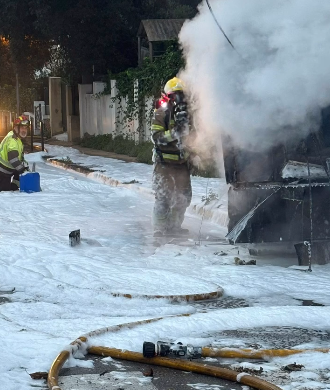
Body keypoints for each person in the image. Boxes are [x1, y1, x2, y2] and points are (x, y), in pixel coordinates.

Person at [151, 77, 199, 237]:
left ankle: (174, 227)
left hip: (182, 164)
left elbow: (194, 139)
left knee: (183, 198)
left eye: (181, 95)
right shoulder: (161, 113)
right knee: (163, 198)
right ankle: (160, 228)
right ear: (167, 96)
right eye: (174, 95)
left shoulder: (189, 116)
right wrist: (175, 132)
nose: (178, 99)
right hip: (164, 164)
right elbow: (156, 137)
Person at [0, 115, 30, 191]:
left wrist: (23, 167)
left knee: (19, 173)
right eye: (22, 127)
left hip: (7, 171)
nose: (24, 130)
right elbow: (13, 159)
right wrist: (23, 170)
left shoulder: (16, 138)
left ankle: (14, 187)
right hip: (2, 173)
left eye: (26, 128)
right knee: (4, 192)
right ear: (16, 128)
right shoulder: (13, 140)